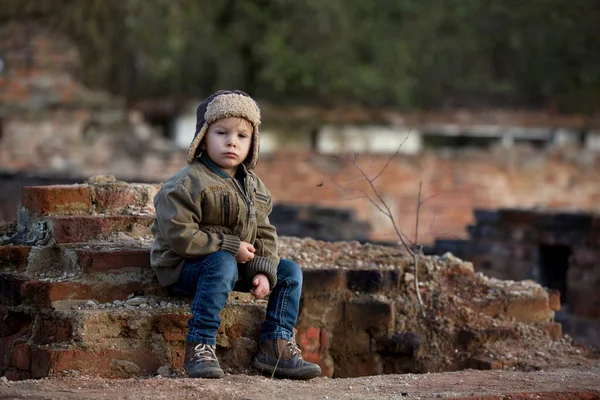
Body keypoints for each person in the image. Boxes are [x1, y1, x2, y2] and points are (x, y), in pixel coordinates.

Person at [150, 90, 321, 380]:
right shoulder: (186, 183)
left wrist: (264, 270)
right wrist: (230, 247)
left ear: (252, 143)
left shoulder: (254, 186)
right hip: (183, 267)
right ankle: (200, 345)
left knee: (290, 272)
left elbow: (265, 232)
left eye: (243, 136)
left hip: (230, 264)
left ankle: (275, 345)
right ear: (204, 136)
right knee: (223, 263)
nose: (232, 141)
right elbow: (181, 236)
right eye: (222, 132)